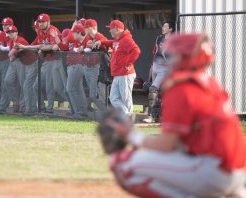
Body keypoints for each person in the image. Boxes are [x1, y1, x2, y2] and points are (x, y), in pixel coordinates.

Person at [96, 33, 246, 197]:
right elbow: (182, 143)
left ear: (186, 57)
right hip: (237, 171)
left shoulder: (181, 88)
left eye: (174, 54)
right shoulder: (212, 85)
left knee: (121, 164)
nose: (168, 58)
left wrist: (131, 136)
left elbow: (166, 144)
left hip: (213, 170)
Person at [17, 13, 63, 114]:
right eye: (40, 22)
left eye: (43, 22)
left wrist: (40, 48)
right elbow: (35, 44)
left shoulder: (52, 30)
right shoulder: (41, 33)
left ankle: (50, 109)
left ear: (48, 22)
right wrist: (24, 48)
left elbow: (53, 46)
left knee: (54, 87)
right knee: (36, 86)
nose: (41, 24)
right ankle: (42, 108)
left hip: (55, 61)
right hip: (47, 61)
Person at [93, 20, 140, 117]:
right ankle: (128, 115)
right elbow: (111, 43)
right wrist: (101, 41)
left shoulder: (126, 39)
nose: (110, 31)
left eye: (111, 29)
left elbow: (136, 51)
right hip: (118, 74)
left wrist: (128, 63)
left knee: (126, 98)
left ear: (117, 29)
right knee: (114, 98)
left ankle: (128, 118)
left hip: (126, 74)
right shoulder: (118, 40)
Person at [143, 22, 174, 123]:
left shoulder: (173, 40)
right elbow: (156, 52)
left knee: (153, 89)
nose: (163, 27)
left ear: (170, 29)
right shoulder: (159, 38)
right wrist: (152, 67)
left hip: (165, 68)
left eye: (165, 26)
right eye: (163, 26)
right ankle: (157, 117)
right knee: (155, 90)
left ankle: (151, 116)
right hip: (156, 66)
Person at [4, 25, 38, 115]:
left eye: (12, 32)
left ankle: (30, 108)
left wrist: (15, 53)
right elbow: (11, 58)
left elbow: (9, 55)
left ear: (16, 32)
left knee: (27, 86)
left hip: (33, 63)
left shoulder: (20, 40)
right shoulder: (12, 42)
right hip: (26, 64)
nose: (11, 34)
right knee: (26, 86)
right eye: (9, 32)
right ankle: (27, 107)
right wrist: (16, 53)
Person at [83, 19, 107, 112]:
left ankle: (103, 111)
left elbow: (105, 44)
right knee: (94, 90)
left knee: (98, 91)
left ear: (90, 28)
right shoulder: (89, 37)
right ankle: (100, 110)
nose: (84, 29)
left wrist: (95, 44)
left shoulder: (99, 36)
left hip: (99, 67)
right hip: (89, 66)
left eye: (86, 27)